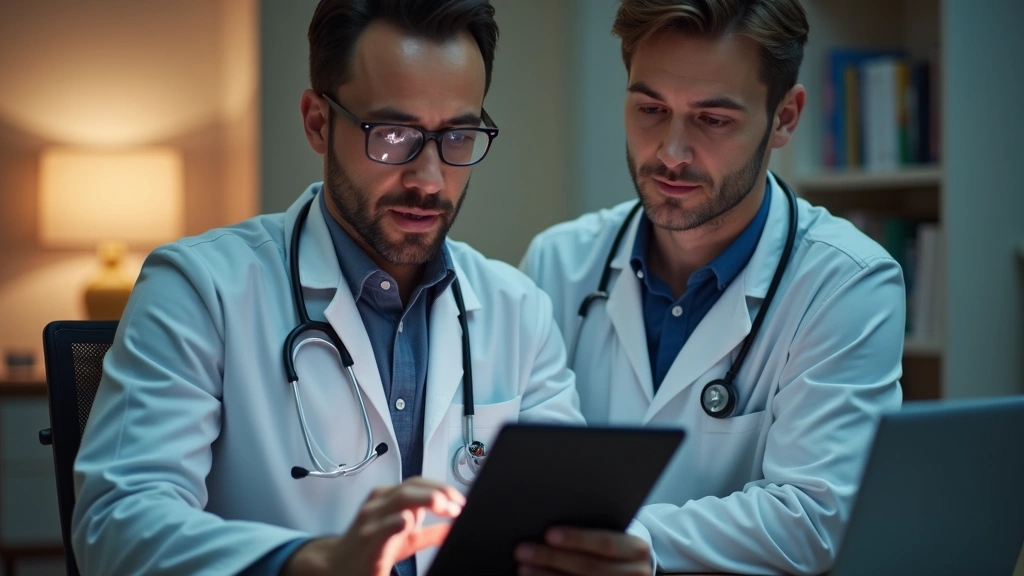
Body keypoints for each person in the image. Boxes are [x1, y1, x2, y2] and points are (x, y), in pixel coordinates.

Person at [71, 1, 653, 575]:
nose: (428, 179)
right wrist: (311, 563)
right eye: (394, 134)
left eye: (458, 136)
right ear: (317, 122)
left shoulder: (517, 307)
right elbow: (116, 527)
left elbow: (556, 520)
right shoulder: (199, 290)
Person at [520, 0, 905, 574]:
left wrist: (635, 546)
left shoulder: (847, 283)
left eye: (713, 119)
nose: (671, 153)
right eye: (650, 108)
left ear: (785, 117)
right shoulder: (559, 261)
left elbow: (815, 515)